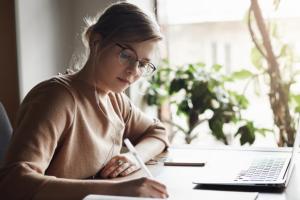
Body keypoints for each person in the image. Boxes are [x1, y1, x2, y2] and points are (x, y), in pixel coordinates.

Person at [0, 2, 169, 200]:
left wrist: (133, 158)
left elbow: (158, 132)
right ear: (96, 42)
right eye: (126, 55)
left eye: (143, 63)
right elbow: (14, 183)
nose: (134, 70)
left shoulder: (115, 99)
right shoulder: (55, 98)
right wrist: (118, 189)